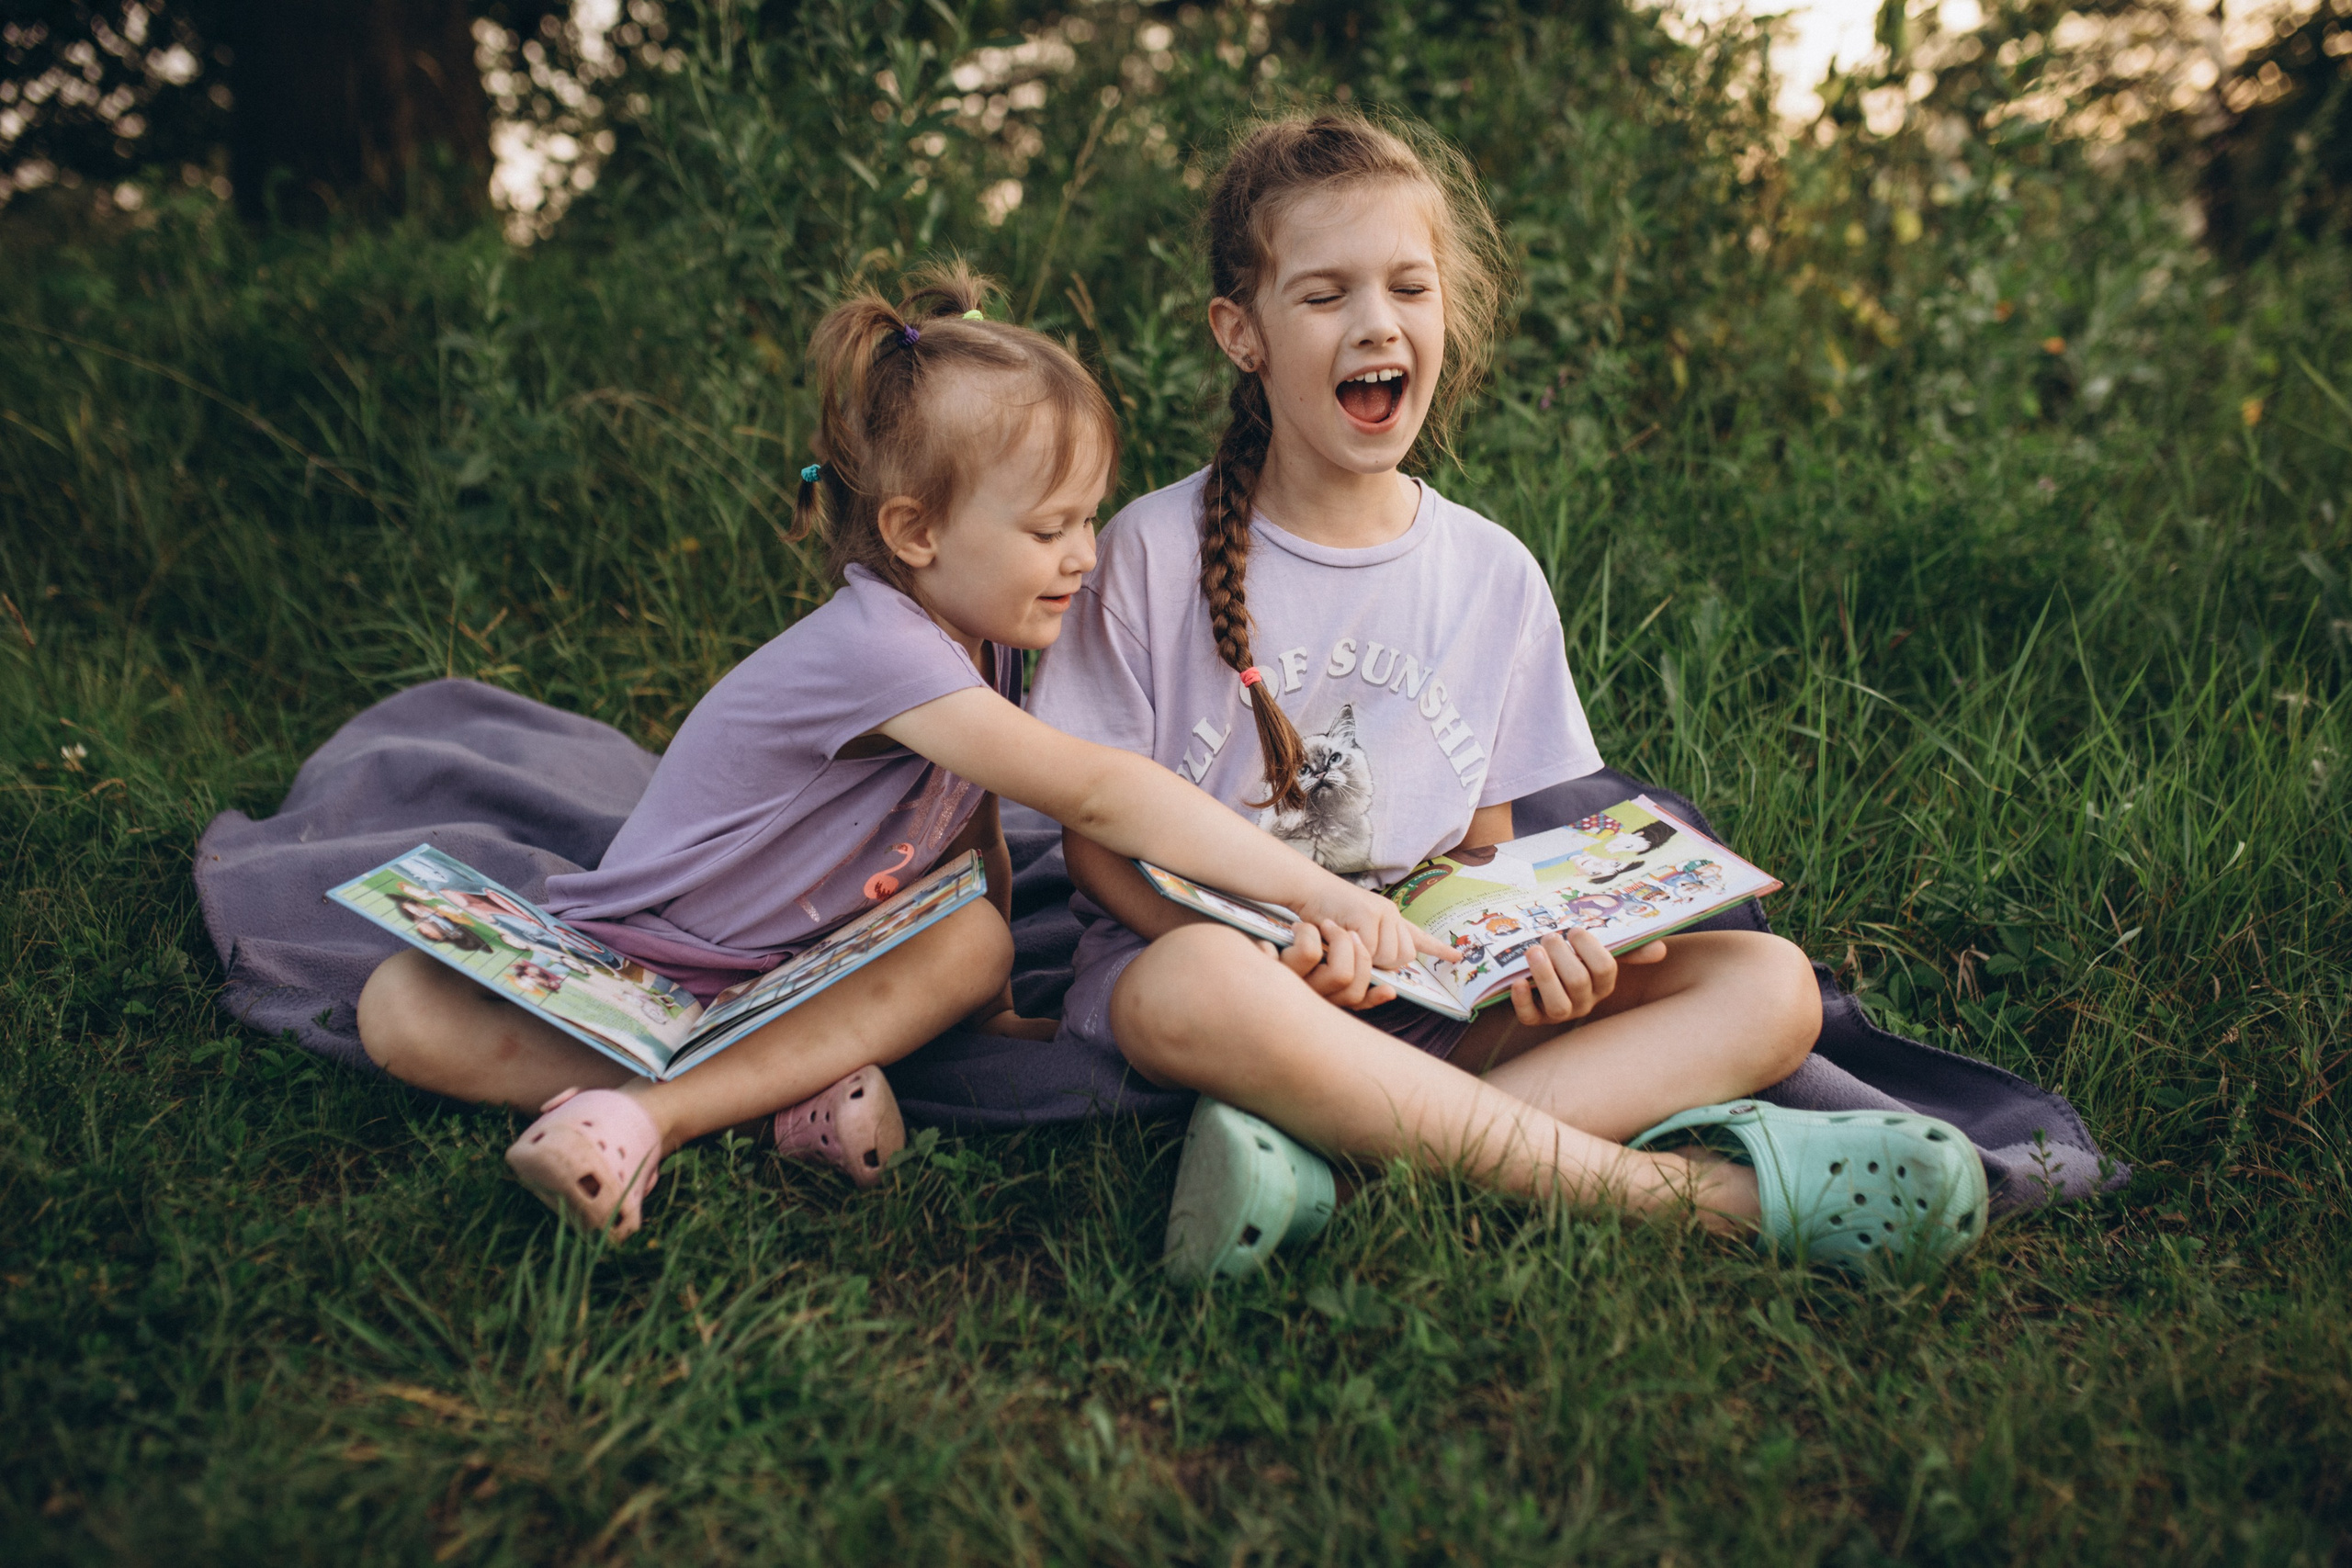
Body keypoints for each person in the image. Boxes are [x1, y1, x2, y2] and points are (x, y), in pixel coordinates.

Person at [1026, 112, 1987, 1280]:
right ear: (1242, 333)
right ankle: (1676, 1197)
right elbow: (1093, 848)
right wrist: (1265, 958)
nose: (1377, 323)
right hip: (1205, 976)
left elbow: (1480, 859)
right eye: (1325, 295)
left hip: (1412, 1002)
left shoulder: (1492, 573)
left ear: (1445, 313)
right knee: (1198, 983)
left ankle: (1333, 1162)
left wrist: (1531, 961)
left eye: (1408, 288)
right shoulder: (1145, 551)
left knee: (1768, 984)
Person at [355, 264, 1443, 1241]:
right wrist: (1317, 894)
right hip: (657, 956)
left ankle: (706, 1100)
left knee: (972, 939)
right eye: (1048, 529)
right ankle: (690, 1109)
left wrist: (991, 1007)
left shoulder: (988, 633)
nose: (1084, 556)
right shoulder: (879, 643)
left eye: (1089, 519)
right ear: (917, 534)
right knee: (394, 1004)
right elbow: (1103, 793)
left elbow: (969, 832)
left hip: (802, 969)